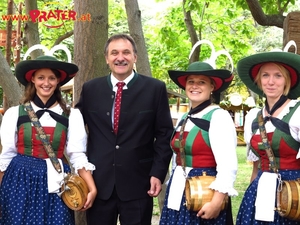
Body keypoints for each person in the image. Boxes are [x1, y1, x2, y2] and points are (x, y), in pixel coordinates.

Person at [75, 33, 174, 225]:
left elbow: (164, 134)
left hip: (139, 183)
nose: (120, 57)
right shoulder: (90, 89)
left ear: (135, 57)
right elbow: (75, 127)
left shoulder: (155, 89)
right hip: (98, 183)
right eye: (114, 53)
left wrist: (157, 172)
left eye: (126, 52)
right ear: (107, 58)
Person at [0, 55, 97, 225]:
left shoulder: (72, 116)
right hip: (19, 182)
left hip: (56, 183)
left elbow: (77, 156)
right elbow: (7, 156)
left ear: (58, 81)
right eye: (41, 78)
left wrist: (92, 187)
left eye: (52, 78)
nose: (46, 83)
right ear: (32, 79)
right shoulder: (14, 113)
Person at [159, 61, 238, 225]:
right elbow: (177, 158)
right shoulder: (183, 118)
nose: (195, 86)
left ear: (212, 87)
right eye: (191, 82)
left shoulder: (218, 117)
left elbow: (228, 165)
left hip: (205, 193)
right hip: (179, 190)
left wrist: (216, 203)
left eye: (202, 82)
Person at [236, 49, 300, 224]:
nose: (271, 81)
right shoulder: (253, 118)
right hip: (260, 191)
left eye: (278, 75)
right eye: (265, 75)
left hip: (292, 195)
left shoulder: (298, 112)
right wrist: (251, 192)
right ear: (258, 80)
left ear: (287, 80)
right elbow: (256, 168)